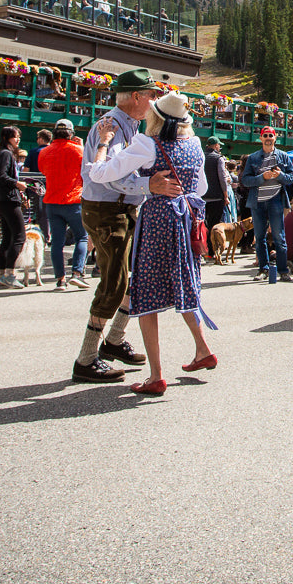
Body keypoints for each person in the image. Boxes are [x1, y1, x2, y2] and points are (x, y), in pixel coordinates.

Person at [85, 92, 213, 396]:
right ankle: (202, 349)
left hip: (158, 220)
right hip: (185, 219)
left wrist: (103, 143)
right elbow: (202, 187)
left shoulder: (147, 144)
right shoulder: (195, 144)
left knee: (145, 294)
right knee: (183, 282)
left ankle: (156, 375)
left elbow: (100, 173)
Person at [69, 69, 166, 383]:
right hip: (108, 209)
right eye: (151, 95)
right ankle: (86, 359)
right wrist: (149, 186)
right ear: (136, 97)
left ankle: (114, 341)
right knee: (115, 282)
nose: (155, 101)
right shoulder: (109, 126)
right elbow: (108, 174)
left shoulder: (128, 124)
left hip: (120, 208)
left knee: (132, 277)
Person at [240, 126, 293, 284]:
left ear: (275, 137)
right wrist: (261, 177)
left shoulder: (284, 156)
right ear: (260, 138)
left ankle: (283, 270)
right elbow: (245, 180)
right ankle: (263, 269)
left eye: (271, 135)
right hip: (257, 201)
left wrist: (280, 175)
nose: (268, 138)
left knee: (279, 237)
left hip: (276, 200)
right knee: (259, 237)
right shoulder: (253, 158)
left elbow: (292, 177)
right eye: (265, 135)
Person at [38, 119, 87, 289]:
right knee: (82, 236)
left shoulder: (45, 152)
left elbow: (43, 170)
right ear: (71, 133)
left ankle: (60, 280)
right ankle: (77, 273)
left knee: (57, 242)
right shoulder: (79, 150)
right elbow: (88, 171)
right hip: (74, 200)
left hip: (52, 200)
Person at [0, 125, 28, 288]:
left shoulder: (3, 153)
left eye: (18, 136)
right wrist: (17, 184)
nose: (17, 139)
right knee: (19, 236)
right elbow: (1, 176)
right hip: (9, 200)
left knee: (6, 238)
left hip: (1, 199)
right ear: (7, 138)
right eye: (14, 137)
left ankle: (0, 274)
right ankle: (10, 274)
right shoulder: (6, 154)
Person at [24, 128, 52, 243]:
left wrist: (27, 186)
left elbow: (26, 171)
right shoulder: (53, 150)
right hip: (52, 185)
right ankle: (48, 236)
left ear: (40, 139)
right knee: (48, 213)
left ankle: (35, 237)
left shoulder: (33, 152)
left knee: (33, 213)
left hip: (35, 187)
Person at [202, 137, 231, 227]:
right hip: (216, 197)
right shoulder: (219, 158)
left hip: (202, 196)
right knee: (214, 224)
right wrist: (226, 195)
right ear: (216, 145)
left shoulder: (201, 156)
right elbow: (222, 178)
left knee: (202, 224)